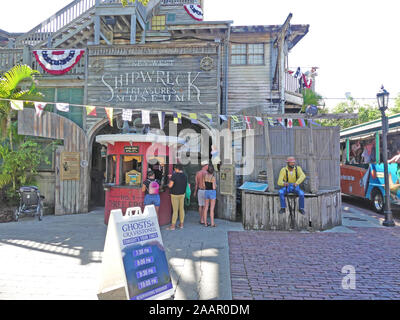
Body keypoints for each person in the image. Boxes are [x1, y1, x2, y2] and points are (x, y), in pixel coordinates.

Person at [167, 164, 188, 230]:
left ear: (176, 169)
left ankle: (173, 226)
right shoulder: (185, 175)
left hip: (174, 194)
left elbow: (170, 185)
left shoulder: (174, 175)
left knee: (175, 210)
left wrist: (169, 181)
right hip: (182, 194)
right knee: (181, 209)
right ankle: (181, 224)